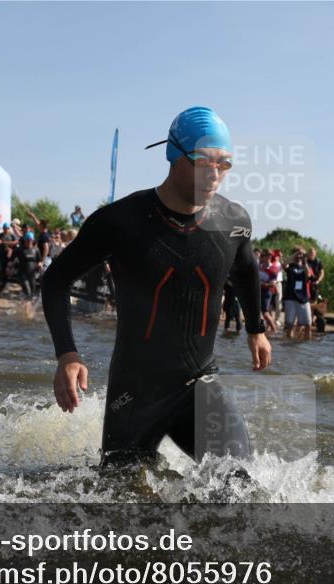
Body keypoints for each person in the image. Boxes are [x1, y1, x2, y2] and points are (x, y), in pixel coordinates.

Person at [41, 105, 271, 467]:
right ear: (174, 155)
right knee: (122, 499)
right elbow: (55, 280)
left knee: (239, 485)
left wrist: (256, 330)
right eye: (203, 160)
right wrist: (67, 355)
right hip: (135, 393)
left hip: (200, 384)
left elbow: (244, 269)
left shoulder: (233, 221)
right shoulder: (120, 221)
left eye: (224, 163)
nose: (215, 174)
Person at [282, 247, 313, 340]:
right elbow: (284, 264)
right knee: (290, 325)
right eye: (297, 254)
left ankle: (307, 344)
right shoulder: (290, 266)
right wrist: (295, 255)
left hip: (303, 298)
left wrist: (304, 261)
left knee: (308, 324)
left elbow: (308, 275)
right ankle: (289, 344)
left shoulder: (306, 266)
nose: (300, 256)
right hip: (290, 297)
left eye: (301, 254)